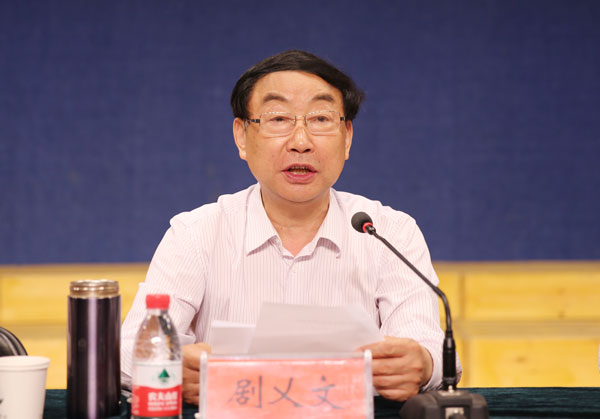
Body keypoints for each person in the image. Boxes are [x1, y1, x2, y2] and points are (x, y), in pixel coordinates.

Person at [121, 49, 460, 405]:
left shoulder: (388, 231)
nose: (301, 142)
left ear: (347, 137)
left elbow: (428, 346)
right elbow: (129, 353)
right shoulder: (196, 234)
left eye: (320, 118)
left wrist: (421, 364)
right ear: (241, 137)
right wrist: (172, 367)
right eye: (279, 118)